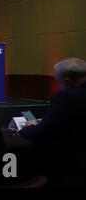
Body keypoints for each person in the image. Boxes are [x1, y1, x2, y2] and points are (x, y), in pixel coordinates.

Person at [7, 57, 86, 187]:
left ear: (67, 82)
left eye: (58, 82)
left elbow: (41, 133)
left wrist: (25, 129)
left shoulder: (68, 96)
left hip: (72, 168)